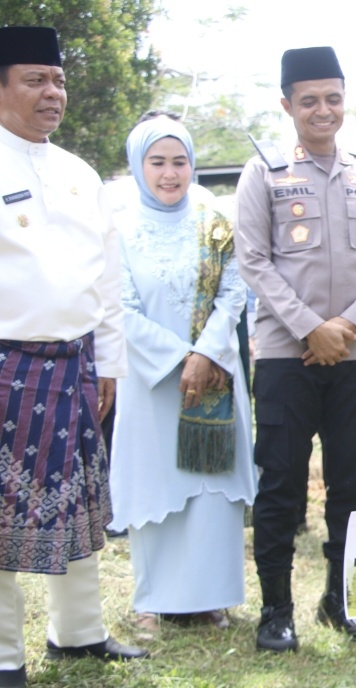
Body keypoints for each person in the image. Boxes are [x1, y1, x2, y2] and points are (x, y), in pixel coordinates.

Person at [235, 45, 356, 651]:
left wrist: (349, 327)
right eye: (309, 100)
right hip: (286, 354)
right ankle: (276, 610)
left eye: (332, 97)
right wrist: (312, 327)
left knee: (351, 484)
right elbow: (253, 258)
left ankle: (341, 599)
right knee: (280, 483)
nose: (322, 109)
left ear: (343, 99)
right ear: (287, 104)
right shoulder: (265, 172)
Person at [0, 25, 147, 688]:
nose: (52, 93)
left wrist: (109, 362)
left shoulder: (80, 172)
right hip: (6, 364)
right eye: (35, 80)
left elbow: (107, 281)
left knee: (83, 500)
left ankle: (80, 633)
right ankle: (4, 654)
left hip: (78, 364)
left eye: (57, 80)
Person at [106, 117, 257, 636]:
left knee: (210, 490)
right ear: (137, 166)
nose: (170, 173)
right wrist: (178, 359)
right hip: (152, 384)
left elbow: (234, 294)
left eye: (179, 161)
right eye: (158, 162)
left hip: (213, 377)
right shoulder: (119, 229)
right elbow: (119, 308)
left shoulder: (214, 222)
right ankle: (153, 599)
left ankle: (210, 597)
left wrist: (207, 355)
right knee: (156, 485)